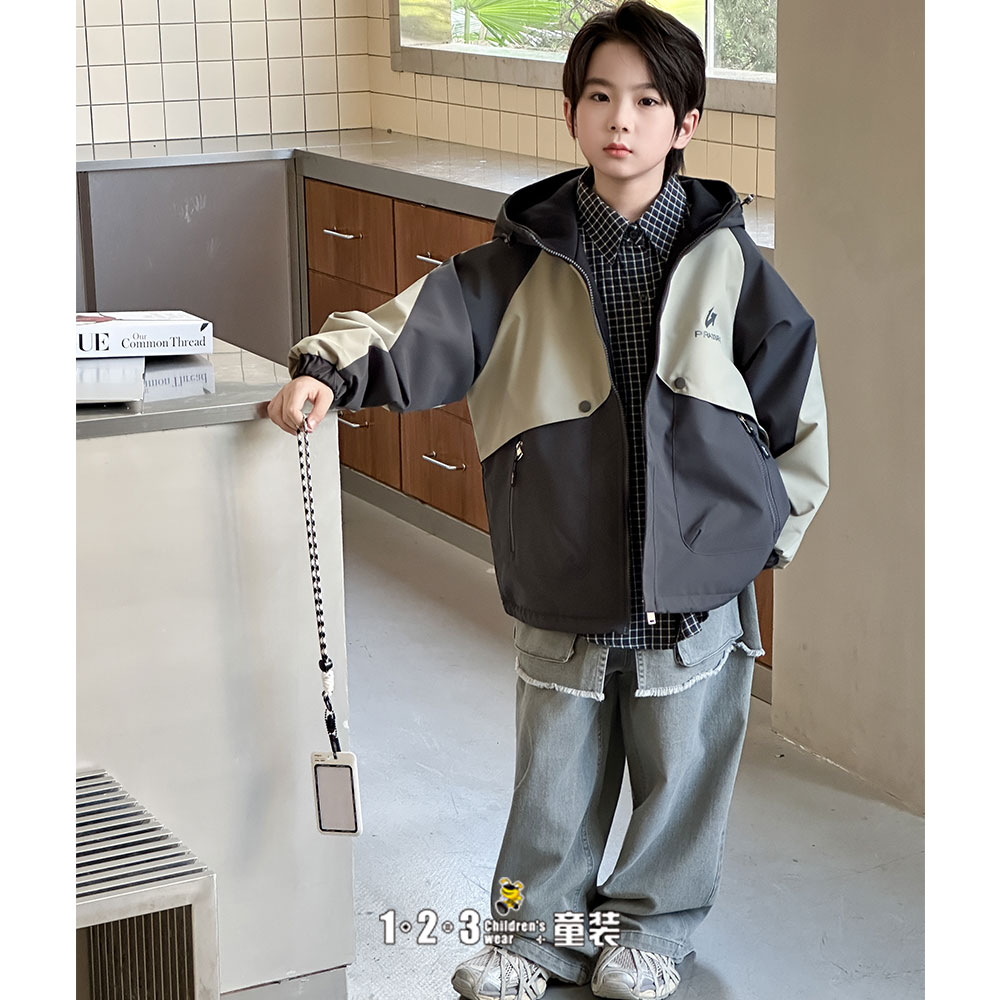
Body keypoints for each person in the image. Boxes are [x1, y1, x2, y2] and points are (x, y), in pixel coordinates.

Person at [267, 2, 829, 996]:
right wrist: (327, 368)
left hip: (696, 574)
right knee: (555, 770)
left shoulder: (735, 268)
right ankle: (536, 936)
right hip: (565, 556)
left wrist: (762, 538)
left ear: (686, 123)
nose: (622, 120)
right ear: (570, 112)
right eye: (601, 97)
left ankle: (653, 931)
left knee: (682, 769)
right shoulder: (515, 264)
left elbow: (796, 413)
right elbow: (404, 328)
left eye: (648, 101)